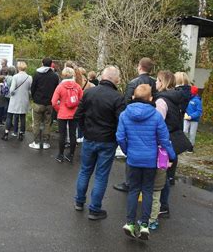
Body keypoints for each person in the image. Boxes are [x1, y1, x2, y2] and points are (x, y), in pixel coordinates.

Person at [116, 85, 176, 240]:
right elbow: (164, 139)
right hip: (150, 160)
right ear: (150, 98)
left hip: (133, 159)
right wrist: (172, 155)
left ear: (134, 97)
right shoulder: (156, 116)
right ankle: (144, 225)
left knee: (133, 190)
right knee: (148, 191)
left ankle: (129, 223)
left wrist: (128, 151)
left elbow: (120, 137)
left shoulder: (124, 115)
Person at [73, 66, 125, 220]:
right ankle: (95, 209)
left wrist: (85, 130)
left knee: (85, 171)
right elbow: (121, 121)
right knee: (101, 176)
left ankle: (79, 202)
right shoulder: (118, 98)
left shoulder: (88, 93)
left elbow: (78, 116)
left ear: (103, 77)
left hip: (89, 138)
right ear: (115, 79)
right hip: (107, 141)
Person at [114, 57, 157, 192]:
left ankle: (130, 183)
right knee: (149, 147)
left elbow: (126, 103)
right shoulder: (155, 83)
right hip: (151, 119)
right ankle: (146, 182)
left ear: (139, 67)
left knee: (132, 151)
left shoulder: (133, 83)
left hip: (133, 121)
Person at [155, 70, 184, 218]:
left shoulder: (161, 101)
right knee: (165, 174)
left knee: (162, 175)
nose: (155, 83)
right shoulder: (175, 98)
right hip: (172, 139)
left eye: (157, 80)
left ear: (162, 82)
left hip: (164, 142)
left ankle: (162, 206)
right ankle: (161, 204)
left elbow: (158, 123)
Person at [51, 67, 83, 162]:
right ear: (73, 75)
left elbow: (53, 102)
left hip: (62, 114)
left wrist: (59, 109)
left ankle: (60, 155)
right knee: (73, 134)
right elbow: (82, 100)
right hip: (74, 114)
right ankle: (71, 155)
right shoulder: (77, 86)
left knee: (62, 135)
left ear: (63, 75)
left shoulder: (60, 87)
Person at [29, 57, 59, 150]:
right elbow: (56, 89)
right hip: (49, 103)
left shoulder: (37, 74)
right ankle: (46, 142)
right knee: (47, 123)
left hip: (38, 102)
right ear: (51, 65)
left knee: (37, 123)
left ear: (42, 63)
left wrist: (34, 98)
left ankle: (36, 142)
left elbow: (32, 88)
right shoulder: (54, 76)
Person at [1, 61, 32, 141]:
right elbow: (30, 90)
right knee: (22, 117)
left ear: (18, 68)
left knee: (9, 116)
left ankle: (6, 133)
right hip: (24, 99)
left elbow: (11, 90)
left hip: (14, 99)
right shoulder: (29, 77)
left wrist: (13, 92)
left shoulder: (15, 77)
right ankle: (21, 133)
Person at [184, 85, 203, 150]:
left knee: (192, 134)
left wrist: (191, 116)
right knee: (184, 131)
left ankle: (190, 147)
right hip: (186, 118)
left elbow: (199, 111)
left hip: (194, 120)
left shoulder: (197, 101)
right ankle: (185, 145)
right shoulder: (187, 99)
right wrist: (185, 113)